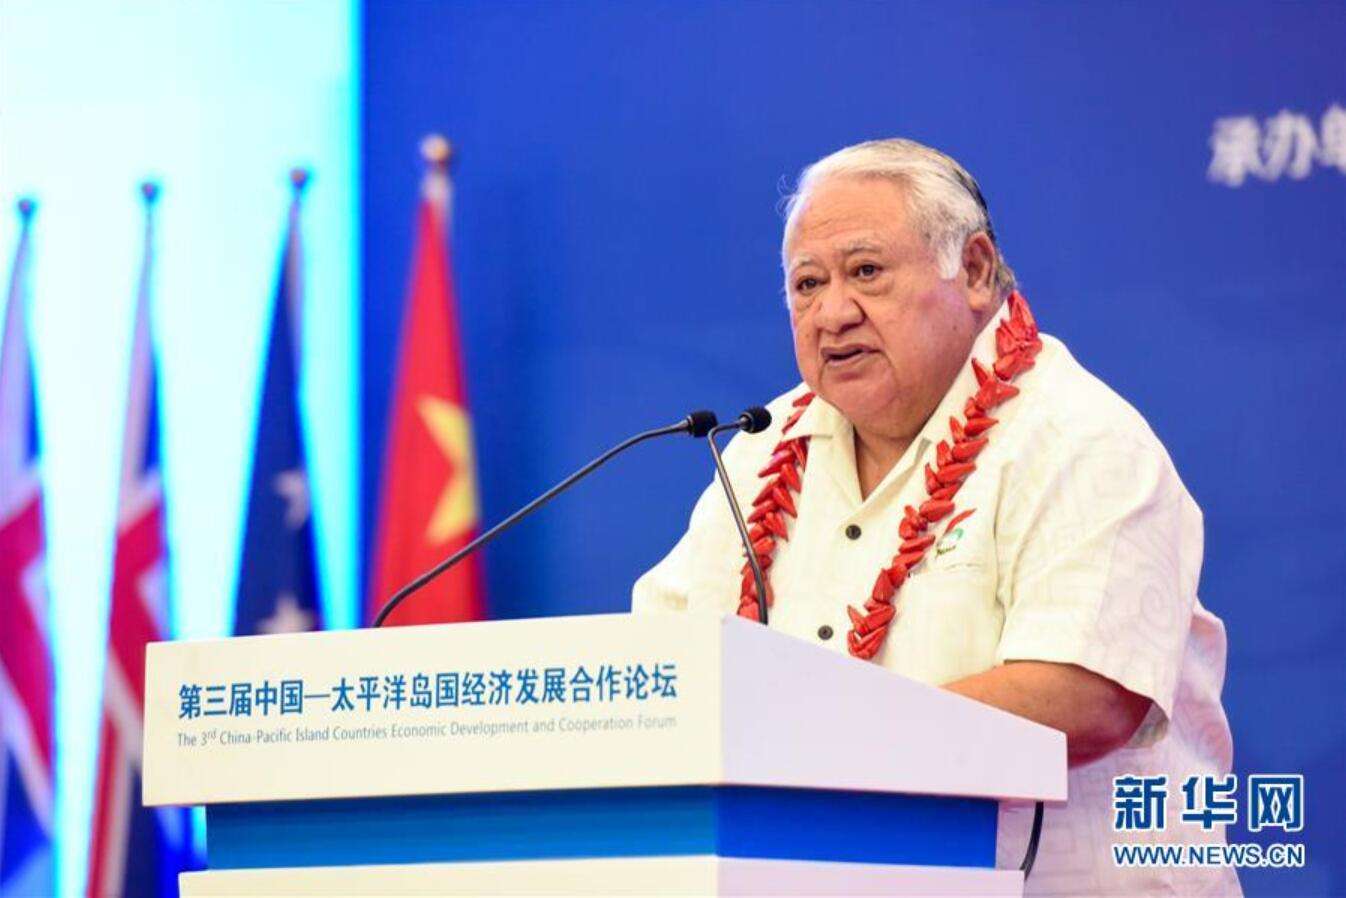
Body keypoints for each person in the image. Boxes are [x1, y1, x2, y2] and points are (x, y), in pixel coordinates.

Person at [632, 138, 1239, 896]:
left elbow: (1086, 697)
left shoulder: (1080, 438)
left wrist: (816, 744)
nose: (833, 313)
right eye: (807, 284)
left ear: (975, 270)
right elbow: (662, 670)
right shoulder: (760, 454)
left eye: (866, 272)